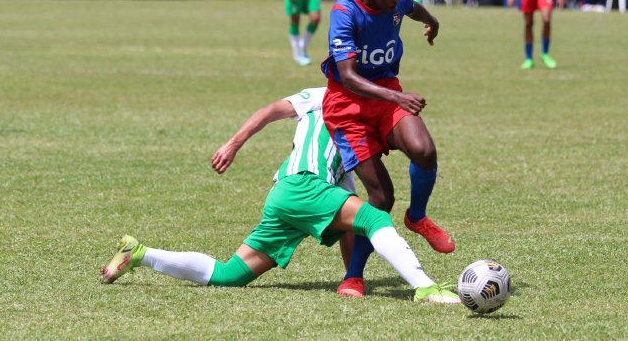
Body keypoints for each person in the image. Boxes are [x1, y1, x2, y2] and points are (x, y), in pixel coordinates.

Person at [101, 87, 459, 304]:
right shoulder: (324, 96)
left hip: (287, 195)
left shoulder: (365, 119)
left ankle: (140, 253)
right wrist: (233, 143)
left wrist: (353, 277)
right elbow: (271, 110)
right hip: (303, 184)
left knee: (229, 275)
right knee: (376, 217)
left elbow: (350, 224)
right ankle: (426, 288)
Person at [321, 0, 455, 298]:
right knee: (381, 197)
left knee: (424, 150)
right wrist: (398, 98)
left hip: (386, 94)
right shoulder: (345, 13)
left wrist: (434, 21)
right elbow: (348, 77)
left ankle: (418, 217)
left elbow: (413, 8)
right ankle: (353, 276)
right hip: (347, 108)